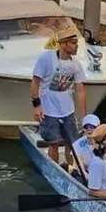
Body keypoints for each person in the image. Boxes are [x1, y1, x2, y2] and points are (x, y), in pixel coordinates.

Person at [30, 24, 86, 166]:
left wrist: (83, 117)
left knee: (71, 144)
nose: (76, 47)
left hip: (68, 110)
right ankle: (55, 168)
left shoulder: (76, 65)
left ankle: (72, 169)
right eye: (73, 43)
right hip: (49, 111)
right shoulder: (46, 59)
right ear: (63, 44)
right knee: (53, 144)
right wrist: (36, 106)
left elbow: (80, 91)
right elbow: (35, 82)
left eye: (76, 43)